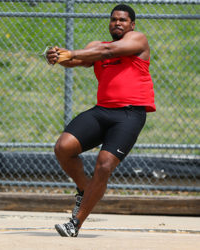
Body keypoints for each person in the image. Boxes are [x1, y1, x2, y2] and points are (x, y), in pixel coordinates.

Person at [46, 4, 156, 237]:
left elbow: (107, 53)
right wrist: (58, 56)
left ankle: (74, 224)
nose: (117, 23)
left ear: (132, 25)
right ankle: (85, 190)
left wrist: (72, 53)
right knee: (63, 147)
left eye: (123, 20)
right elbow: (75, 61)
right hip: (102, 111)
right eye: (114, 19)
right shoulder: (96, 47)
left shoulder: (138, 40)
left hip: (129, 114)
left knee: (104, 165)